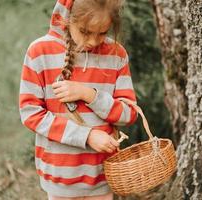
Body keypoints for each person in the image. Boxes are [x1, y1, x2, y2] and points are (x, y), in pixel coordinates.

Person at [19, 0, 138, 199]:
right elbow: (31, 113)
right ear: (67, 20)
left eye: (102, 33)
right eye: (85, 31)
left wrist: (89, 95)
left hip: (101, 175)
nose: (93, 41)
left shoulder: (116, 55)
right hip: (59, 174)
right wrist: (87, 136)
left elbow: (129, 114)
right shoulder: (40, 52)